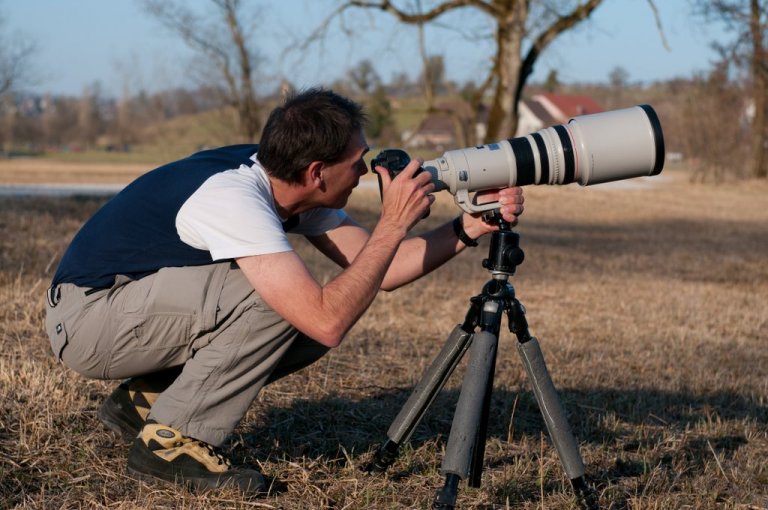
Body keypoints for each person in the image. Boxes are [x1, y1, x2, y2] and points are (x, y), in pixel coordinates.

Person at [44, 88, 524, 494]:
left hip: (126, 308)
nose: (365, 172)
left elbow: (383, 269)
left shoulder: (286, 178)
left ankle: (145, 401)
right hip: (89, 319)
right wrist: (392, 223)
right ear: (318, 172)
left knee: (318, 303)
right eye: (358, 163)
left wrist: (465, 229)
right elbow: (326, 320)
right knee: (282, 302)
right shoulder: (234, 197)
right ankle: (170, 445)